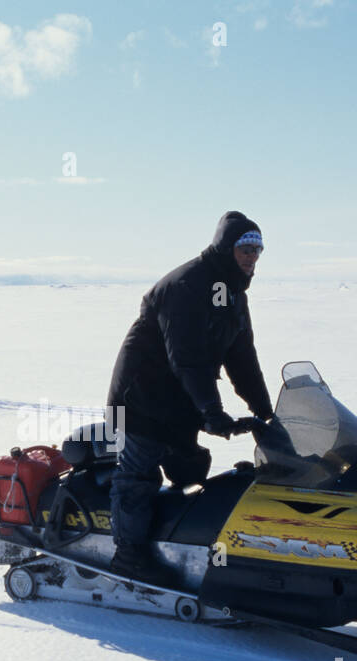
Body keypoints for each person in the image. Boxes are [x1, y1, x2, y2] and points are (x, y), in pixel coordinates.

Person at [104, 210, 276, 584]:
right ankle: (128, 557)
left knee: (190, 471)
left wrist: (267, 412)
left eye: (258, 250)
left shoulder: (229, 292)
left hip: (179, 400)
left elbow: (242, 357)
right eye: (245, 248)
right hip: (141, 399)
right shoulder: (188, 285)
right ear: (225, 247)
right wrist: (211, 411)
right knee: (139, 476)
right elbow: (188, 357)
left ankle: (172, 546)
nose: (252, 257)